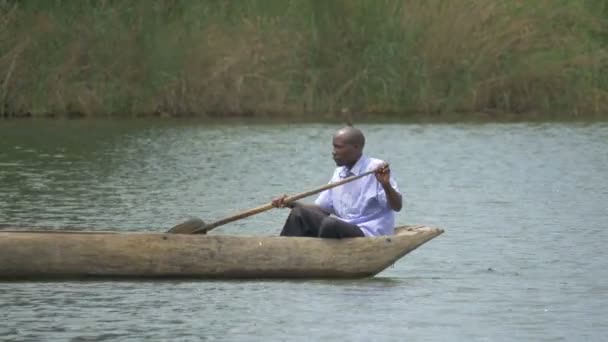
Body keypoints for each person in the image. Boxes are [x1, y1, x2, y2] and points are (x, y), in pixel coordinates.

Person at [272, 126, 402, 238]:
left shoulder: (376, 169)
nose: (334, 152)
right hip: (342, 229)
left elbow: (397, 206)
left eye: (338, 147)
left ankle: (322, 259)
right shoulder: (339, 173)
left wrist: (386, 185)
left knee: (330, 225)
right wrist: (291, 203)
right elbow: (322, 210)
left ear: (356, 148)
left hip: (367, 233)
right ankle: (282, 254)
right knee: (299, 214)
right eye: (334, 147)